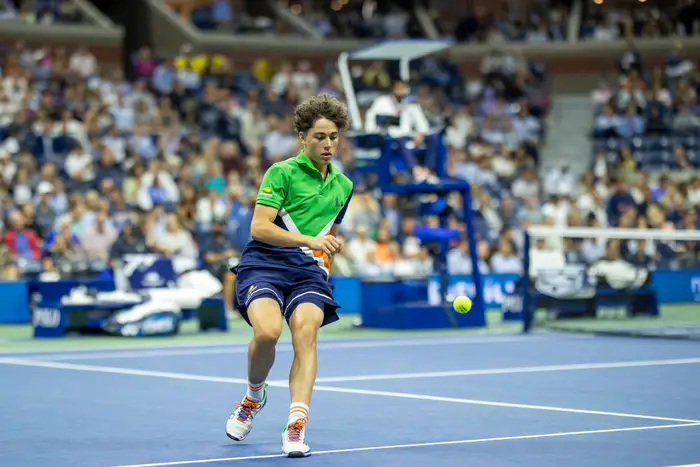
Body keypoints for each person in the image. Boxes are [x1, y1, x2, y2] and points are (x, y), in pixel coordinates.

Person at [225, 94, 354, 457]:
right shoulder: (281, 172)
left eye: (333, 136)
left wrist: (324, 254)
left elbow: (328, 231)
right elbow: (259, 228)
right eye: (319, 137)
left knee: (306, 333)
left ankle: (296, 425)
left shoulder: (344, 186)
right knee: (267, 333)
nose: (328, 144)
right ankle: (253, 397)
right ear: (302, 137)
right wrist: (310, 239)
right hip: (265, 262)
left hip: (306, 273)